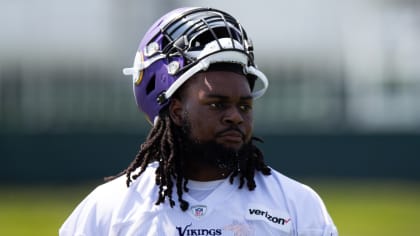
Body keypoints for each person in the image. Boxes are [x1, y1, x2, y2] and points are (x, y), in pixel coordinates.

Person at [60, 7, 338, 236]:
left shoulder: (297, 206)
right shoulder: (111, 209)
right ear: (177, 111)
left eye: (245, 105)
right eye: (217, 104)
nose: (235, 116)